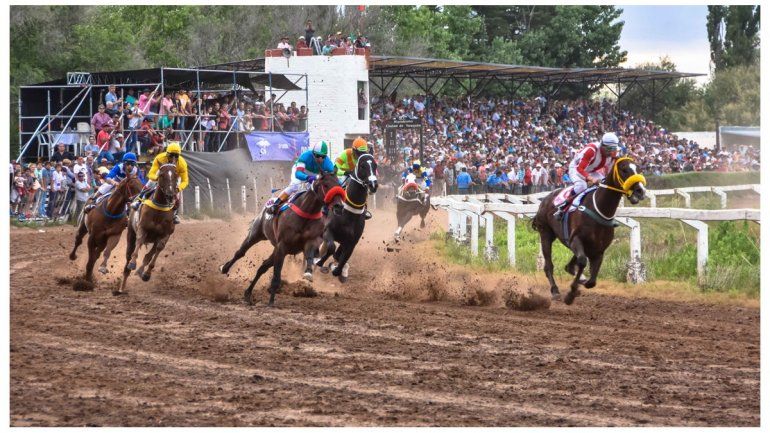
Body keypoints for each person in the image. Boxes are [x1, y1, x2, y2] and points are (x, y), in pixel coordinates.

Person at [553, 132, 620, 220]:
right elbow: (580, 169)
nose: (611, 152)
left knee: (605, 185)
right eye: (609, 149)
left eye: (614, 149)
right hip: (576, 168)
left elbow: (609, 172)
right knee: (582, 186)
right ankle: (562, 207)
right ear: (602, 146)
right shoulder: (591, 150)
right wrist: (591, 179)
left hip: (591, 170)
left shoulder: (613, 155)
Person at [268, 140, 334, 215]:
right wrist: (307, 177)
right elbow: (298, 174)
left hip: (314, 175)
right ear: (313, 154)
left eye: (323, 157)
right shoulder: (305, 155)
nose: (320, 159)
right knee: (296, 185)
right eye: (317, 156)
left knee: (317, 189)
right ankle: (276, 204)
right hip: (300, 171)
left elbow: (332, 178)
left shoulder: (328, 164)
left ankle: (323, 208)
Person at [132, 142, 188, 224]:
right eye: (171, 155)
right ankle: (139, 200)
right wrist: (156, 178)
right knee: (150, 182)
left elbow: (185, 181)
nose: (173, 158)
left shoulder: (182, 163)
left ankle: (175, 214)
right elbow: (151, 174)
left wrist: (178, 189)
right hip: (161, 175)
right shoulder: (159, 158)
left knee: (177, 194)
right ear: (167, 153)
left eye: (176, 156)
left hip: (174, 178)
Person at [333, 137, 372, 219]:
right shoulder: (345, 153)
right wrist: (345, 172)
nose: (360, 155)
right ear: (353, 150)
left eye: (363, 153)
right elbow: (335, 169)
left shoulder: (365, 157)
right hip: (344, 175)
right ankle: (338, 205)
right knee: (339, 184)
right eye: (359, 153)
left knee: (365, 186)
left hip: (357, 177)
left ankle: (364, 208)